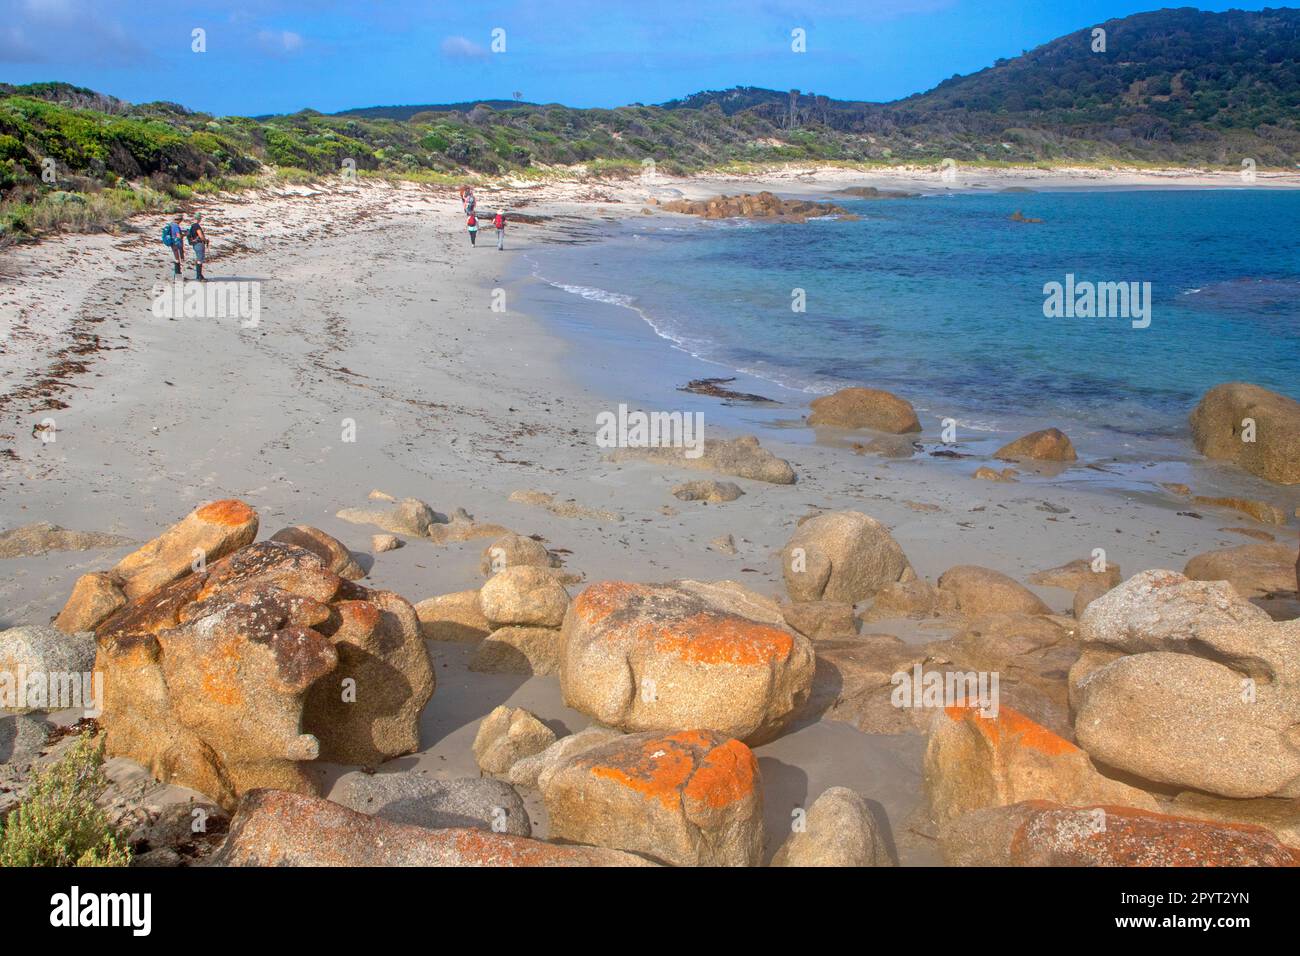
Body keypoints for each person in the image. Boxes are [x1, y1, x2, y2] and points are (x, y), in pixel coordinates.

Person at [187, 213, 208, 281]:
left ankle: (199, 275)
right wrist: (205, 240)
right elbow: (201, 236)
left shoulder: (192, 226)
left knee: (199, 259)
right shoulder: (197, 226)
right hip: (199, 244)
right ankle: (199, 276)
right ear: (199, 219)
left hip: (194, 244)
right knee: (200, 259)